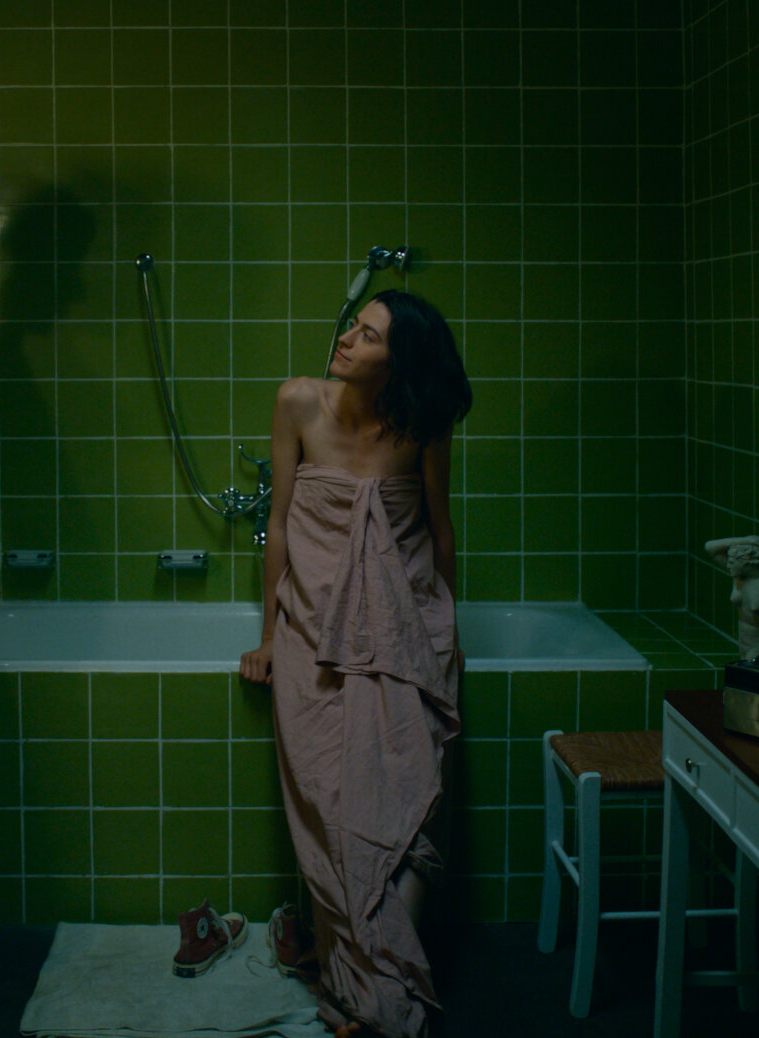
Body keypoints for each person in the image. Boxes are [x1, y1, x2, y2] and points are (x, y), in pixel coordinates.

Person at [240, 290, 472, 1038]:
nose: (345, 337)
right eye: (353, 324)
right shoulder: (298, 402)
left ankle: (366, 992)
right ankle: (372, 992)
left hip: (401, 634)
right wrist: (269, 637)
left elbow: (438, 530)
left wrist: (444, 637)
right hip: (312, 628)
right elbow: (279, 525)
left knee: (406, 800)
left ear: (397, 362)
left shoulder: (423, 424)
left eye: (367, 335)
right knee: (330, 807)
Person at [704, 535, 759, 664]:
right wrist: (746, 540)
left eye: (731, 562)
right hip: (744, 647)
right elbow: (710, 547)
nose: (728, 565)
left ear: (745, 562)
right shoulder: (739, 577)